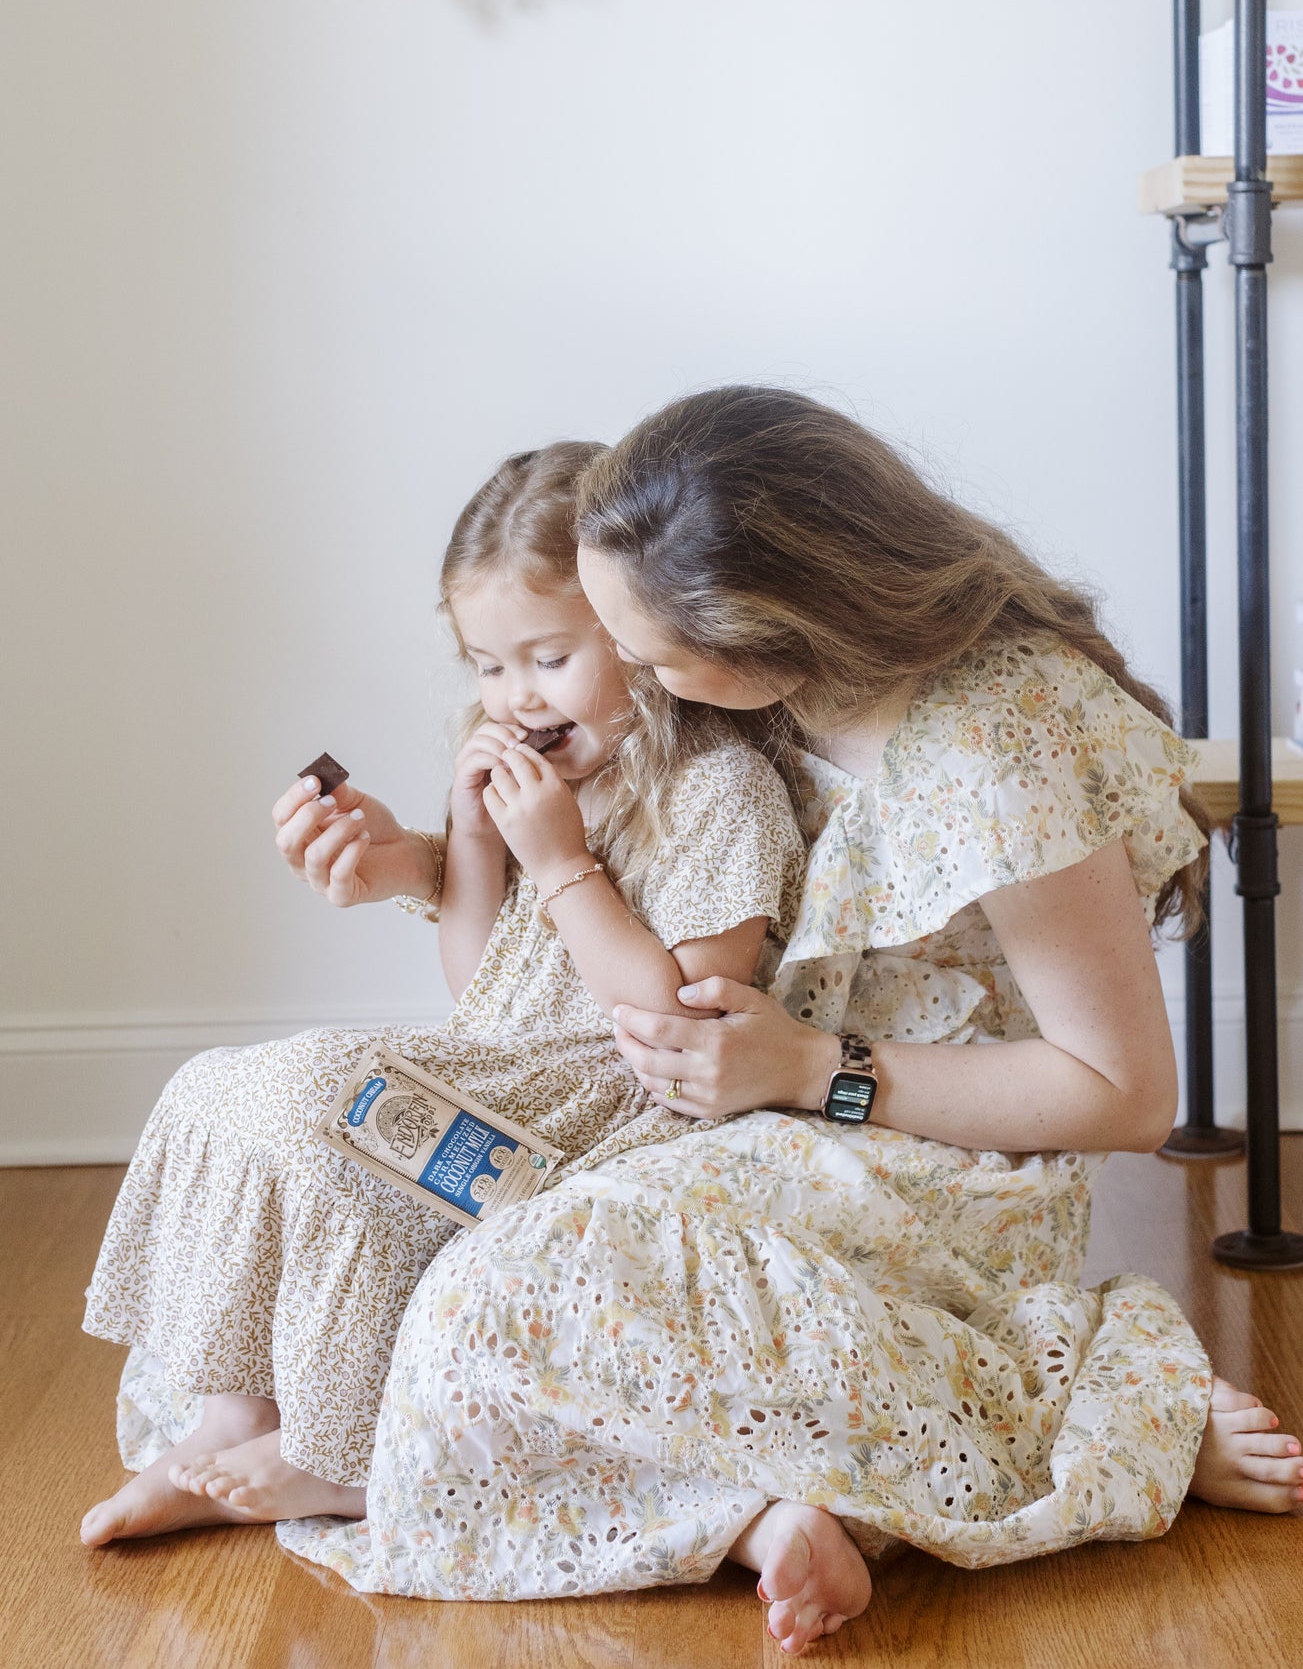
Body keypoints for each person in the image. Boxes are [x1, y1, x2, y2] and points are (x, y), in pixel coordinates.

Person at [281, 388, 1303, 1657]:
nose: (634, 685)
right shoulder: (768, 687)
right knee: (431, 1248)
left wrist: (811, 1066)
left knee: (495, 1299)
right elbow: (644, 886)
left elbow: (1119, 1094)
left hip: (923, 1151)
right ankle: (757, 1511)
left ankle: (1078, 1402)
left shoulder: (996, 749)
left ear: (764, 628)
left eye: (648, 657)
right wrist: (430, 863)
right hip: (746, 1099)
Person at [79, 441, 802, 1548]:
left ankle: (345, 1450)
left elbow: (682, 1022)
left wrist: (560, 863)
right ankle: (231, 1418)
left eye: (550, 656)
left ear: (641, 632)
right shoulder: (536, 781)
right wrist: (467, 839)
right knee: (220, 1082)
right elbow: (483, 989)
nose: (515, 696)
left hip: (605, 1112)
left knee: (329, 1099)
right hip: (503, 1073)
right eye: (487, 664)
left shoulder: (718, 790)